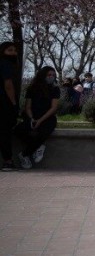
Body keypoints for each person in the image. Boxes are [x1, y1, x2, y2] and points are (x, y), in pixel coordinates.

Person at [14, 66, 61, 169]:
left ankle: (24, 154)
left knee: (43, 132)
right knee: (18, 130)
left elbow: (53, 108)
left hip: (47, 117)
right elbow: (28, 107)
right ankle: (38, 147)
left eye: (53, 75)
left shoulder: (55, 89)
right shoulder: (32, 88)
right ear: (43, 75)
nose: (51, 77)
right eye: (49, 75)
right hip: (33, 116)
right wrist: (32, 119)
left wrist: (40, 120)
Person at [1, 42, 23, 171]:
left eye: (15, 50)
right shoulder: (6, 64)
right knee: (4, 132)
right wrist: (14, 103)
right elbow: (8, 85)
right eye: (10, 50)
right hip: (4, 103)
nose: (13, 53)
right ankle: (8, 161)